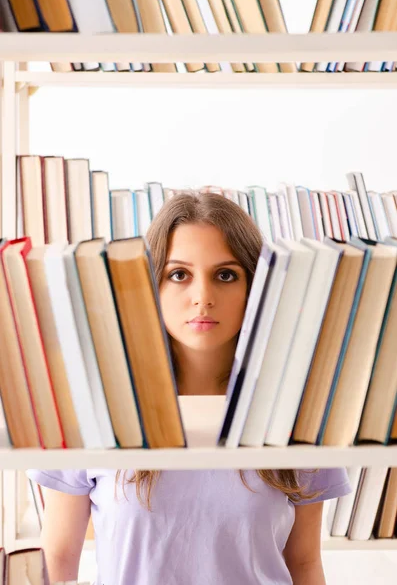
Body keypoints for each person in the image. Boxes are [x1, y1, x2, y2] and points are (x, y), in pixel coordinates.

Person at [27, 193, 351, 585]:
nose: (203, 298)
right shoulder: (93, 406)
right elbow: (58, 561)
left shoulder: (297, 411)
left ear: (256, 287)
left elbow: (303, 564)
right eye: (179, 274)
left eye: (226, 275)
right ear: (150, 284)